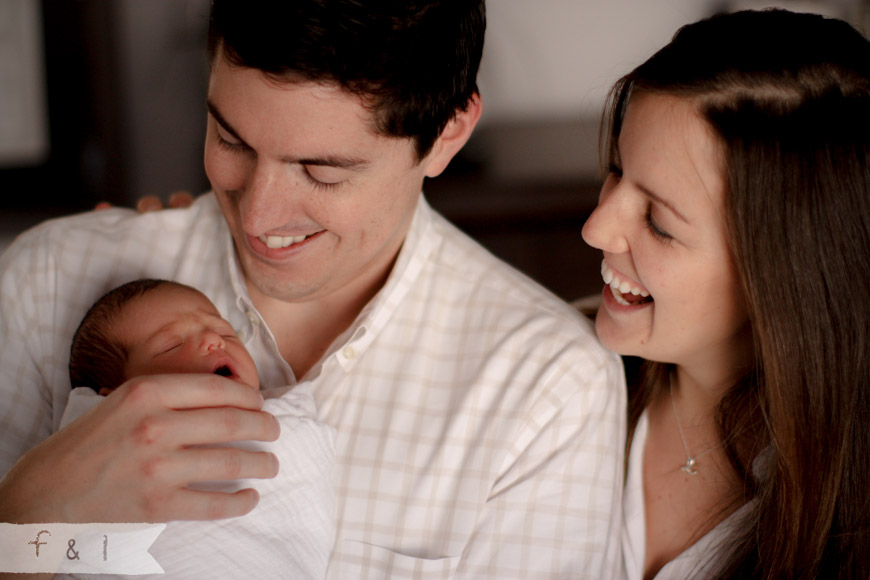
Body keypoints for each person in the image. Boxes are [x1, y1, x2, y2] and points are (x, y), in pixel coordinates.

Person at [0, 1, 626, 578]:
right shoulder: (52, 278)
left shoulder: (547, 389)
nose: (258, 218)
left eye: (322, 171)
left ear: (447, 134)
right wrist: (24, 519)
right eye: (230, 139)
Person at [580, 9, 870, 579]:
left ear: (785, 274)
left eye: (660, 223)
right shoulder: (556, 379)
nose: (596, 228)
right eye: (615, 171)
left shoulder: (848, 508)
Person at [60, 278, 334, 579]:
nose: (213, 341)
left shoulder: (285, 417)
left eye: (225, 331)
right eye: (172, 345)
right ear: (114, 404)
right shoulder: (87, 456)